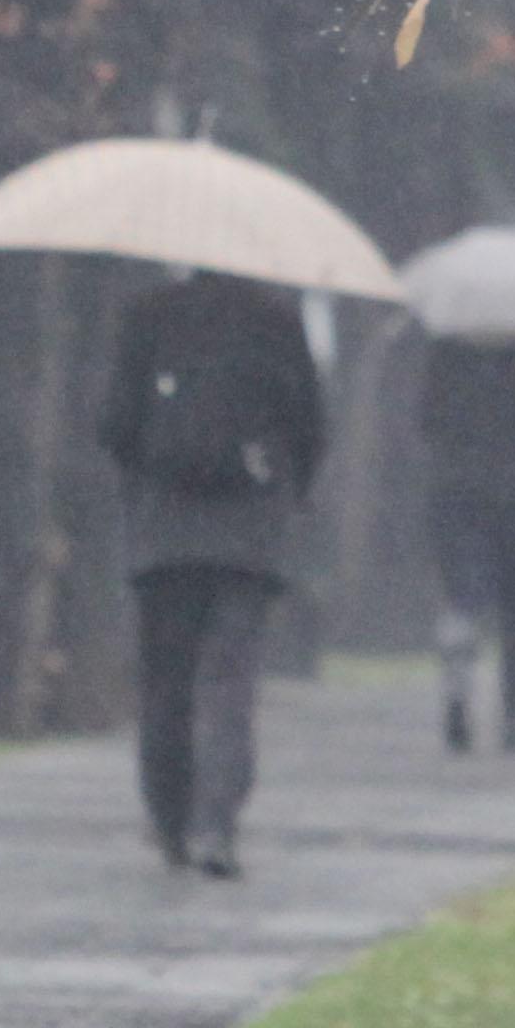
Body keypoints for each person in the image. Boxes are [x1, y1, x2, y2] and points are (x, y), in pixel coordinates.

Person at [96, 270, 325, 880]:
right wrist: (287, 494)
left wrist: (146, 477)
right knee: (229, 683)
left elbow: (116, 422)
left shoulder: (148, 313)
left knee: (165, 685)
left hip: (163, 533)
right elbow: (308, 422)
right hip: (247, 534)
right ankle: (217, 824)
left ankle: (169, 819)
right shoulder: (276, 319)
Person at [417, 335, 515, 754]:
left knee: (462, 599)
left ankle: (458, 687)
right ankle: (512, 718)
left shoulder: (449, 356)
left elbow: (426, 422)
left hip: (457, 494)